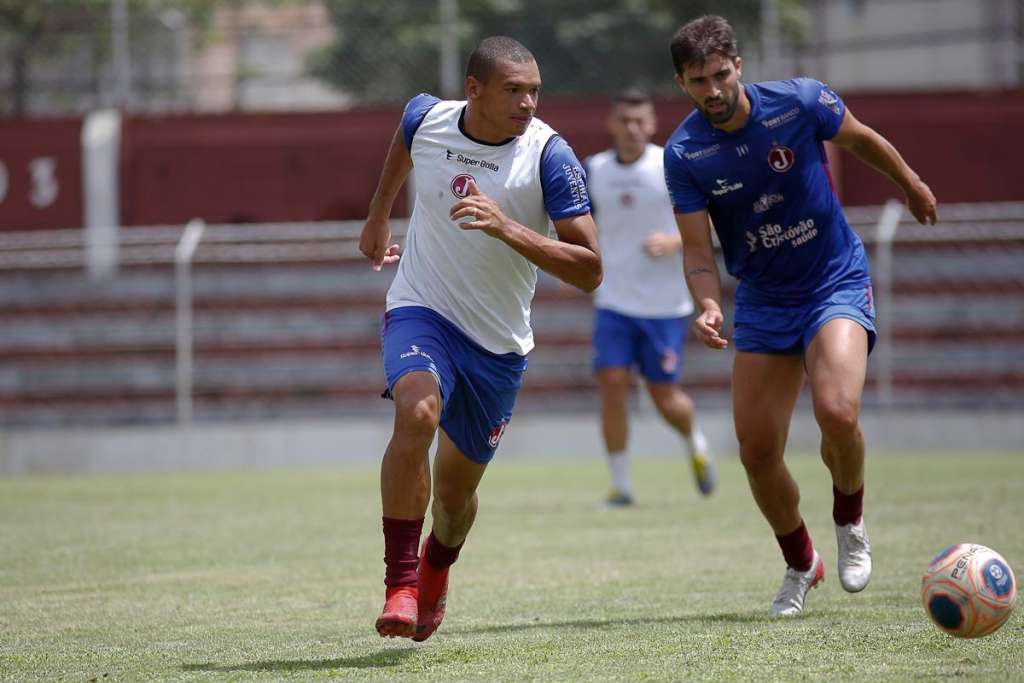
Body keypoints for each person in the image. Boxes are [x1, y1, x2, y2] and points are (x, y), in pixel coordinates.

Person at [663, 15, 936, 616]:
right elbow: (697, 251)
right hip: (763, 297)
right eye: (698, 80)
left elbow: (862, 139)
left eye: (720, 74)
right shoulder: (684, 153)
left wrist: (910, 182)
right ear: (681, 83)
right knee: (757, 452)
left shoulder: (800, 101)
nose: (713, 89)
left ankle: (850, 520)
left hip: (833, 278)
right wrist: (707, 303)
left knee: (837, 412)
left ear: (738, 66)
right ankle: (801, 562)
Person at [359, 36, 601, 641]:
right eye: (514, 90)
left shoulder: (550, 156)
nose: (528, 103)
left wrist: (507, 228)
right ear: (474, 90)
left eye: (534, 91)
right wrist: (378, 214)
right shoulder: (428, 116)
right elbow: (405, 138)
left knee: (455, 500)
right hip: (422, 308)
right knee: (416, 412)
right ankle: (401, 584)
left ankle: (437, 567)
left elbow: (590, 270)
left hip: (497, 345)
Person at [585, 88, 716, 507]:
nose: (632, 129)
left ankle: (694, 440)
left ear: (653, 123)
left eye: (639, 120)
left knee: (663, 395)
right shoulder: (594, 170)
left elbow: (712, 222)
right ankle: (621, 486)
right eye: (625, 120)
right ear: (612, 124)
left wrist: (675, 241)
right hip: (613, 300)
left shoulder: (670, 165)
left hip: (664, 304)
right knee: (612, 383)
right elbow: (578, 224)